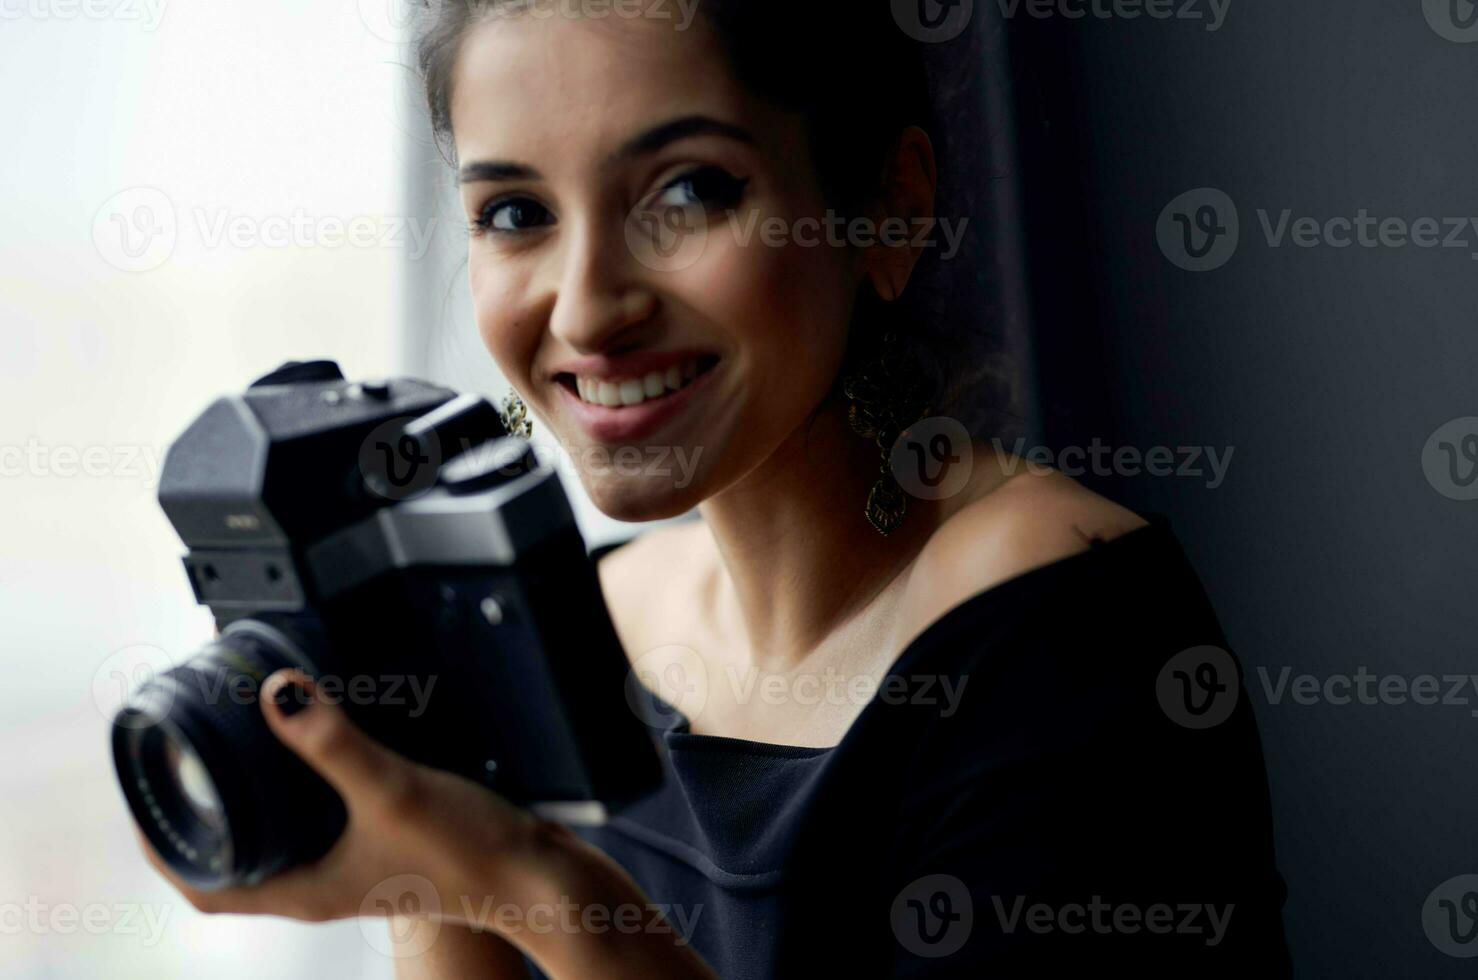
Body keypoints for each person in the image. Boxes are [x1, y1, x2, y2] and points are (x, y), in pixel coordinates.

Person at [138, 2, 1292, 976]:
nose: (586, 308)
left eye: (688, 190)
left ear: (886, 204)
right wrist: (420, 857)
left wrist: (534, 886)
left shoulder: (1061, 624)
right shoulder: (571, 618)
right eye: (515, 213)